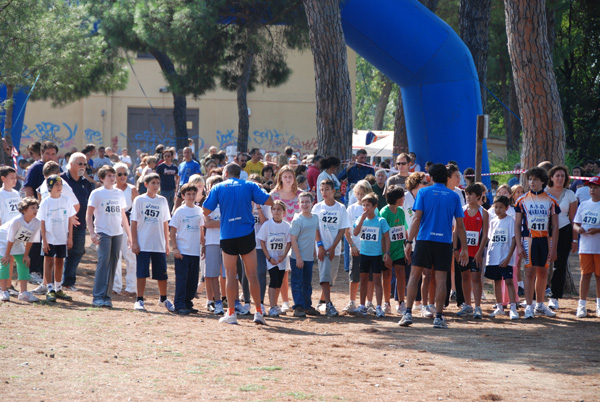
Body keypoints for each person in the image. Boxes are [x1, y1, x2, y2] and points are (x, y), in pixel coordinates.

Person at [202, 163, 273, 325]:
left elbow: (205, 211)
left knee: (230, 274)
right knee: (252, 274)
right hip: (246, 234)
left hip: (227, 234)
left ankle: (232, 314)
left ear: (226, 173)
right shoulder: (249, 185)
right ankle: (259, 312)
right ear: (240, 173)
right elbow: (269, 200)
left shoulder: (218, 187)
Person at [400, 163, 468, 329]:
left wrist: (409, 242)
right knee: (441, 279)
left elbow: (416, 219)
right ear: (446, 178)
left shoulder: (423, 192)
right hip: (444, 242)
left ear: (430, 177)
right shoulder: (453, 196)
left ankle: (408, 313)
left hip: (424, 240)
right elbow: (460, 225)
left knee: (415, 276)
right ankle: (438, 317)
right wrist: (464, 248)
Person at [514, 167, 560, 319]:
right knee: (529, 272)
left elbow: (555, 227)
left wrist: (554, 249)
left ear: (542, 181)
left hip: (546, 240)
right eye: (530, 179)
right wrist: (519, 246)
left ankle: (540, 305)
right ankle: (529, 306)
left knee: (543, 272)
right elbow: (517, 225)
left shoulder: (551, 201)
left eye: (535, 179)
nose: (532, 182)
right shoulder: (521, 200)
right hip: (529, 240)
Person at [87, 166, 132, 308]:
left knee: (113, 263)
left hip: (117, 233)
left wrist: (129, 235)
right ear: (102, 178)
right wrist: (92, 233)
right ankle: (98, 296)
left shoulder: (119, 193)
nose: (113, 178)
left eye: (114, 175)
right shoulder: (97, 193)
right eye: (109, 176)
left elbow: (123, 215)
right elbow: (89, 215)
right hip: (103, 232)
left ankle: (107, 296)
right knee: (103, 262)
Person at [131, 173, 174, 312]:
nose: (156, 186)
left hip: (159, 243)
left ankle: (163, 298)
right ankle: (139, 299)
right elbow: (134, 222)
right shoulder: (139, 200)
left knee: (162, 273)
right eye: (153, 183)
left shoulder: (162, 200)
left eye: (157, 183)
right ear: (146, 184)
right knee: (142, 272)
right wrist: (134, 242)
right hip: (143, 242)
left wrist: (167, 243)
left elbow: (165, 222)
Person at [312, 178, 350, 317]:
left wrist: (334, 247)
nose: (324, 192)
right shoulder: (317, 207)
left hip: (335, 248)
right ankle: (329, 304)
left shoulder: (340, 208)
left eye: (327, 189)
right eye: (322, 190)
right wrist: (320, 245)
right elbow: (315, 227)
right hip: (322, 247)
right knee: (325, 276)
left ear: (334, 191)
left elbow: (342, 229)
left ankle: (322, 300)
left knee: (331, 278)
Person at [38, 175, 77, 303]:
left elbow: (71, 219)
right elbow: (42, 222)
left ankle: (58, 287)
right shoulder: (46, 202)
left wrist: (70, 237)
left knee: (60, 262)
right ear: (50, 187)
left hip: (62, 237)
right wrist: (44, 240)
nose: (60, 187)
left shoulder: (66, 200)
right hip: (49, 237)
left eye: (61, 185)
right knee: (49, 262)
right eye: (57, 185)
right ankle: (50, 289)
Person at [353, 192, 392, 317]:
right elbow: (354, 232)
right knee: (363, 280)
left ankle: (379, 306)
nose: (365, 208)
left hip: (376, 255)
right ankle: (362, 306)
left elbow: (387, 237)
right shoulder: (360, 219)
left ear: (375, 206)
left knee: (376, 280)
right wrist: (362, 220)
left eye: (368, 205)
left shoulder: (381, 221)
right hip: (364, 254)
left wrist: (386, 252)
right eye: (364, 205)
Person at [270, 165, 302, 312]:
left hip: (297, 237)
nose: (288, 179)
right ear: (280, 178)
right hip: (278, 237)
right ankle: (284, 301)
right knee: (282, 270)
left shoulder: (300, 195)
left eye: (290, 176)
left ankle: (299, 301)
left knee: (296, 270)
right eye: (285, 177)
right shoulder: (273, 195)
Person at [544, 165, 578, 310]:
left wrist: (575, 239)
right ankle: (535, 297)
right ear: (551, 177)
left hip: (564, 232)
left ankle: (555, 297)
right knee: (541, 264)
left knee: (560, 265)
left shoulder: (570, 194)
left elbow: (574, 219)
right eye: (557, 175)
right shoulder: (543, 192)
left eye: (562, 176)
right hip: (544, 232)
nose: (560, 178)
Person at [454, 183, 489, 319]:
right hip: (463, 251)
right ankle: (467, 305)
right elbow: (456, 231)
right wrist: (456, 249)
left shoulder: (483, 212)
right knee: (465, 277)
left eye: (471, 195)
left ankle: (478, 307)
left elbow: (485, 234)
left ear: (479, 196)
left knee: (476, 277)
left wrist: (480, 252)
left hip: (476, 251)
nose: (468, 197)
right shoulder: (461, 211)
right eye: (466, 194)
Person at [169, 183, 204, 315]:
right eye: (188, 194)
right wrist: (175, 249)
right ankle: (179, 304)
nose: (191, 196)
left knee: (192, 279)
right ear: (183, 196)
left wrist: (203, 245)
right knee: (182, 279)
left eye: (193, 194)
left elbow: (201, 230)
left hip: (195, 251)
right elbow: (172, 231)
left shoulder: (199, 210)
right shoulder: (180, 211)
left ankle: (188, 302)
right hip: (183, 251)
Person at [0, 197, 41, 302]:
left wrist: (26, 255)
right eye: (32, 208)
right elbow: (10, 239)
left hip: (17, 241)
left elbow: (30, 240)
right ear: (24, 210)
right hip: (4, 240)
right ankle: (3, 291)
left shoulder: (37, 222)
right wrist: (7, 254)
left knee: (24, 263)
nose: (35, 210)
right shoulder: (16, 221)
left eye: (36, 207)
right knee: (5, 263)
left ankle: (24, 293)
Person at [485, 195, 519, 320]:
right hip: (494, 257)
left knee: (509, 281)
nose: (498, 210)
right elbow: (491, 239)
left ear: (506, 208)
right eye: (496, 207)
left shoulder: (511, 220)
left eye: (501, 207)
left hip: (506, 258)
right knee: (496, 281)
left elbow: (514, 240)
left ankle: (513, 308)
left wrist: (508, 257)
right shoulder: (493, 221)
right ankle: (499, 307)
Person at [343, 180, 373, 314]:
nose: (360, 197)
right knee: (354, 276)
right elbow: (346, 231)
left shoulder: (373, 210)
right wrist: (352, 245)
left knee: (370, 277)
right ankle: (352, 301)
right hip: (356, 248)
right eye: (358, 194)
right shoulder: (351, 209)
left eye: (363, 193)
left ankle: (369, 302)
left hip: (370, 249)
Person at [257, 200, 291, 317]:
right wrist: (268, 257)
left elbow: (289, 242)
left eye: (279, 209)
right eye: (274, 209)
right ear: (271, 211)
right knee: (273, 279)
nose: (276, 212)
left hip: (281, 259)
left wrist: (284, 255)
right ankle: (271, 307)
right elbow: (262, 240)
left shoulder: (286, 226)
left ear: (284, 212)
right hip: (271, 259)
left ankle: (275, 304)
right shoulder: (267, 224)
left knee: (279, 281)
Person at [289, 192, 320, 317]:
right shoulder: (297, 220)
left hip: (308, 257)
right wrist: (298, 258)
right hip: (298, 257)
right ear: (298, 204)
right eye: (302, 202)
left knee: (307, 282)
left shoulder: (315, 218)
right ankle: (298, 307)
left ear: (312, 203)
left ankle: (307, 306)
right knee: (297, 282)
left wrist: (314, 250)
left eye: (307, 202)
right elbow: (293, 239)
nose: (305, 204)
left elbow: (312, 235)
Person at [573, 176, 600, 318]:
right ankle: (581, 305)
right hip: (585, 247)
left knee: (599, 276)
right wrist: (578, 230)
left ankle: (599, 305)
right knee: (585, 275)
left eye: (595, 187)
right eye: (590, 187)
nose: (592, 190)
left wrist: (598, 230)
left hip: (598, 247)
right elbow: (576, 223)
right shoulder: (583, 204)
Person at [380, 185, 409, 315]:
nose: (404, 198)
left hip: (399, 250)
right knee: (386, 276)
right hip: (386, 251)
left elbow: (403, 229)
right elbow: (382, 235)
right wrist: (386, 253)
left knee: (401, 274)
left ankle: (401, 302)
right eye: (402, 196)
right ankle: (386, 303)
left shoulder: (401, 211)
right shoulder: (384, 212)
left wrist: (407, 246)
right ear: (396, 198)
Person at [112, 162, 138, 296]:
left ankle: (131, 287)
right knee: (115, 256)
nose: (123, 176)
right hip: (114, 225)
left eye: (125, 174)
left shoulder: (132, 189)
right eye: (119, 174)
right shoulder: (111, 189)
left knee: (130, 256)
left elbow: (138, 210)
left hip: (128, 225)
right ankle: (115, 286)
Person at [203, 175, 226, 315]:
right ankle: (216, 302)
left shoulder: (228, 201)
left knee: (229, 274)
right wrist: (224, 221)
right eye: (213, 185)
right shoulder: (207, 203)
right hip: (211, 241)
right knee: (212, 273)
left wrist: (216, 222)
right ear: (208, 188)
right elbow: (208, 223)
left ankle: (232, 301)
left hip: (227, 240)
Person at [156, 147, 179, 213]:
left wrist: (176, 188)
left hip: (172, 189)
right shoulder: (160, 166)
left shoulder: (174, 167)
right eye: (165, 156)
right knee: (164, 206)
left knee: (171, 206)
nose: (166, 157)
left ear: (172, 157)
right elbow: (157, 177)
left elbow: (177, 177)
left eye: (168, 156)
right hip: (164, 189)